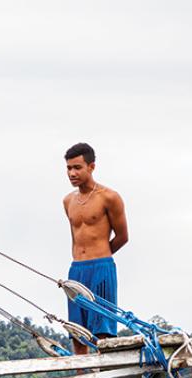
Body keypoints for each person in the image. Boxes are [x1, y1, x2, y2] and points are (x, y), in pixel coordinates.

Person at [63, 142, 129, 354]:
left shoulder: (109, 197)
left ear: (91, 167)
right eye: (69, 168)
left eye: (77, 167)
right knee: (77, 331)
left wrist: (101, 256)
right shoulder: (68, 201)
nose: (72, 173)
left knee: (102, 331)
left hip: (101, 267)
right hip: (76, 270)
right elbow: (75, 237)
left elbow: (122, 236)